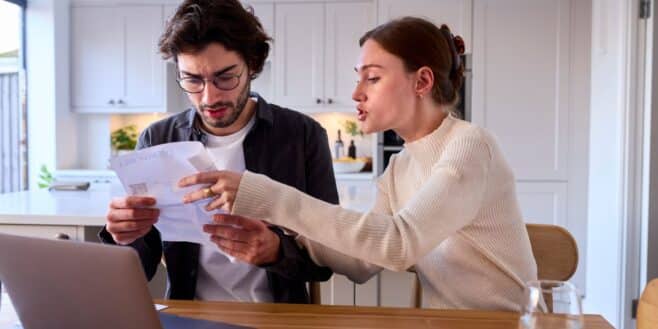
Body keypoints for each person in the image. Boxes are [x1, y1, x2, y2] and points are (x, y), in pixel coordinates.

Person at [178, 17, 538, 310]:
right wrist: (280, 238)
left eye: (373, 77)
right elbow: (361, 263)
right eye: (358, 77)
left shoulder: (469, 145)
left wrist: (268, 196)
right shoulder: (401, 167)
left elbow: (397, 245)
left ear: (422, 81)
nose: (356, 93)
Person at [99, 0, 337, 304]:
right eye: (193, 80)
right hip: (191, 316)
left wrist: (276, 251)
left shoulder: (303, 135)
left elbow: (327, 261)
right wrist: (122, 236)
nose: (209, 97)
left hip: (280, 317)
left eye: (225, 78)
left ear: (252, 64)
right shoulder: (157, 139)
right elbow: (141, 269)